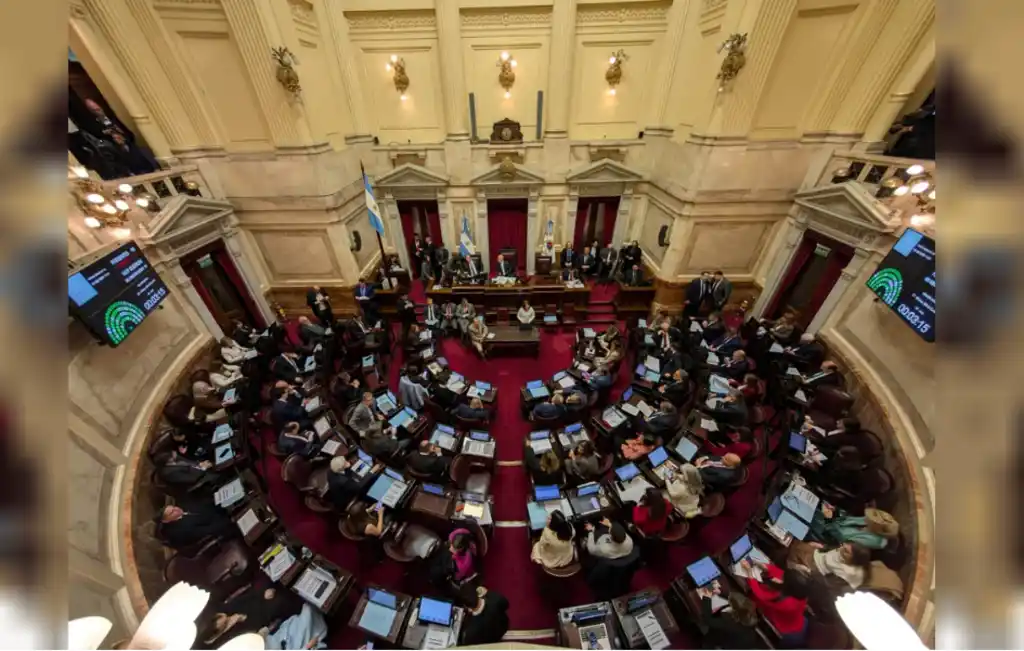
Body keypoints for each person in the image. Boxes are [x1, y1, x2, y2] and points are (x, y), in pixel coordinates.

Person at [741, 561, 811, 647]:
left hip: (790, 633)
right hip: (800, 622)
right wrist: (765, 567)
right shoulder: (801, 592)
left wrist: (749, 572)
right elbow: (781, 573)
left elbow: (759, 595)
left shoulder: (785, 603)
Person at [787, 540, 872, 590]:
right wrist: (820, 547)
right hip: (816, 553)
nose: (842, 549)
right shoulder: (843, 550)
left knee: (788, 552)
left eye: (846, 552)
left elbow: (826, 584)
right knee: (793, 542)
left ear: (854, 560)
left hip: (814, 568)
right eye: (844, 547)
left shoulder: (847, 573)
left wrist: (807, 570)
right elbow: (830, 551)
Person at [811, 506, 899, 551]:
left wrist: (829, 521)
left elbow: (843, 538)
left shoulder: (874, 541)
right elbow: (848, 519)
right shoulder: (867, 523)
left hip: (831, 534)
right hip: (833, 524)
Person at [696, 589, 760, 650]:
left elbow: (709, 621)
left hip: (734, 645)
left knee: (711, 636)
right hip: (747, 643)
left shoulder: (730, 621)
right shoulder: (748, 611)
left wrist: (706, 597)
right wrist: (720, 593)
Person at [156, 504, 236, 549]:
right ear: (166, 520)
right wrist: (231, 519)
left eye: (174, 507)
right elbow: (210, 530)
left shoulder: (183, 507)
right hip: (223, 528)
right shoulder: (184, 530)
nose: (176, 509)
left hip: (219, 514)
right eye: (172, 512)